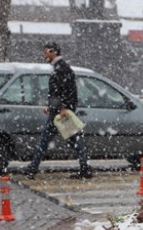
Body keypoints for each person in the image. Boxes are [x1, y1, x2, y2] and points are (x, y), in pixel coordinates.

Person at [23, 42, 92, 180]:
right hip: (59, 111)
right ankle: (85, 168)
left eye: (46, 52)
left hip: (60, 112)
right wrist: (53, 107)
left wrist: (62, 108)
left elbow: (65, 91)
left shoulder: (61, 68)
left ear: (53, 52)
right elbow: (59, 92)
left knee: (45, 140)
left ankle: (33, 168)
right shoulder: (60, 67)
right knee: (73, 140)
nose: (44, 55)